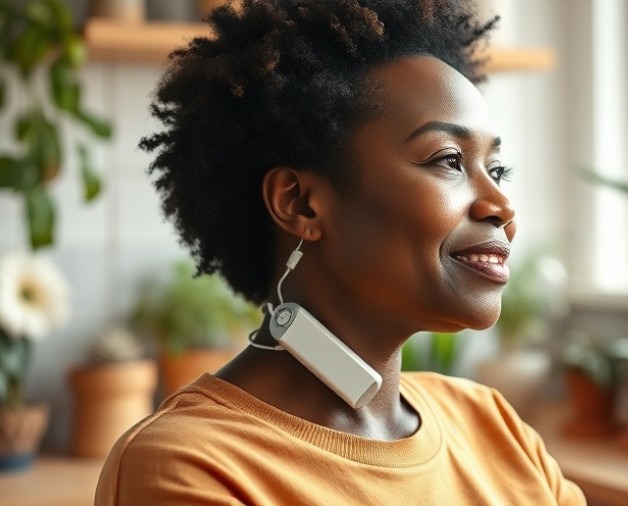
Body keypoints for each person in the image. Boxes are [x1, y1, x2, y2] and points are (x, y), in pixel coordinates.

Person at [95, 0, 586, 504]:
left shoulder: (494, 427)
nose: (501, 204)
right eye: (449, 160)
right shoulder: (190, 465)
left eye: (497, 170)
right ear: (300, 203)